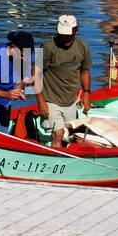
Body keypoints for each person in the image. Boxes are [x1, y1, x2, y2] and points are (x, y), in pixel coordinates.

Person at [35, 15, 92, 148]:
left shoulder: (83, 46)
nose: (65, 38)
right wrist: (41, 101)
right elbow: (36, 74)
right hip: (51, 100)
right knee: (58, 133)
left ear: (75, 30)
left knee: (70, 135)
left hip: (71, 101)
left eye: (68, 35)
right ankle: (55, 162)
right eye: (62, 35)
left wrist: (87, 94)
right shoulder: (47, 47)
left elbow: (84, 71)